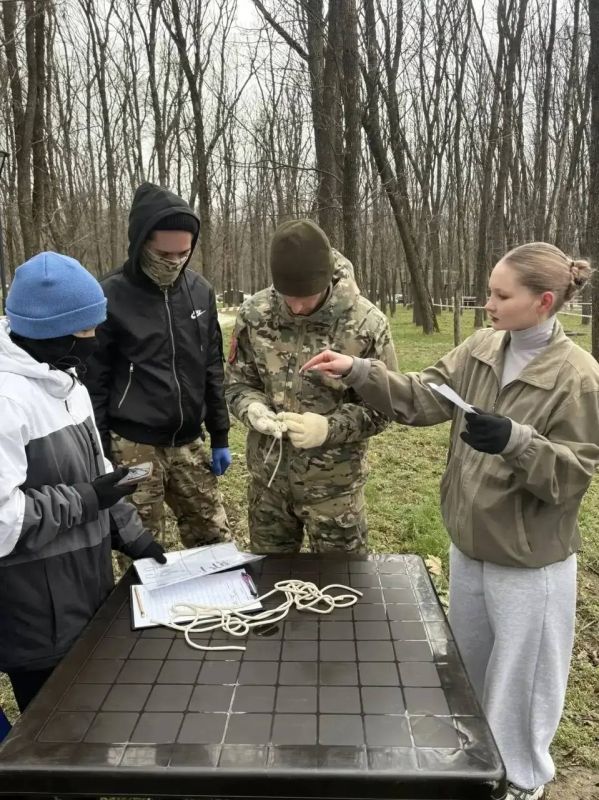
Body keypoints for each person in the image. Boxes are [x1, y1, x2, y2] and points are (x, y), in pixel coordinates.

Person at [302, 242, 599, 800]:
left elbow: (573, 475)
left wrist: (516, 441)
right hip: (469, 542)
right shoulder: (483, 346)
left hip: (527, 559)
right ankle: (477, 762)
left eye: (501, 295)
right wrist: (359, 371)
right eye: (489, 292)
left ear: (544, 302)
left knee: (522, 678)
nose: (489, 304)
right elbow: (424, 395)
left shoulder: (577, 377)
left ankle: (521, 778)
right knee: (470, 663)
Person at [0, 252, 166, 713]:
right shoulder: (7, 400)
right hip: (38, 616)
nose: (96, 339)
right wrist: (85, 499)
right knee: (56, 732)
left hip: (86, 593)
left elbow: (97, 473)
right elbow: (3, 523)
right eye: (87, 329)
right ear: (51, 332)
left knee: (98, 718)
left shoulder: (66, 381)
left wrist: (133, 537)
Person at [225, 218, 397, 554]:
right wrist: (253, 409)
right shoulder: (255, 314)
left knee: (342, 583)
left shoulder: (366, 323)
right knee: (270, 580)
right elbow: (236, 384)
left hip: (335, 493)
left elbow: (384, 407)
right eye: (287, 296)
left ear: (327, 280)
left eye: (307, 297)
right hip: (269, 488)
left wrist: (328, 428)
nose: (297, 307)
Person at [84, 182, 231, 551]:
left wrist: (220, 435)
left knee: (215, 542)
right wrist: (101, 454)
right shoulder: (108, 295)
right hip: (133, 446)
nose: (174, 262)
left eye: (183, 253)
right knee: (142, 551)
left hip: (189, 442)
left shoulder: (199, 291)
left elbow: (211, 366)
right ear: (140, 244)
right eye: (164, 254)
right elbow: (94, 383)